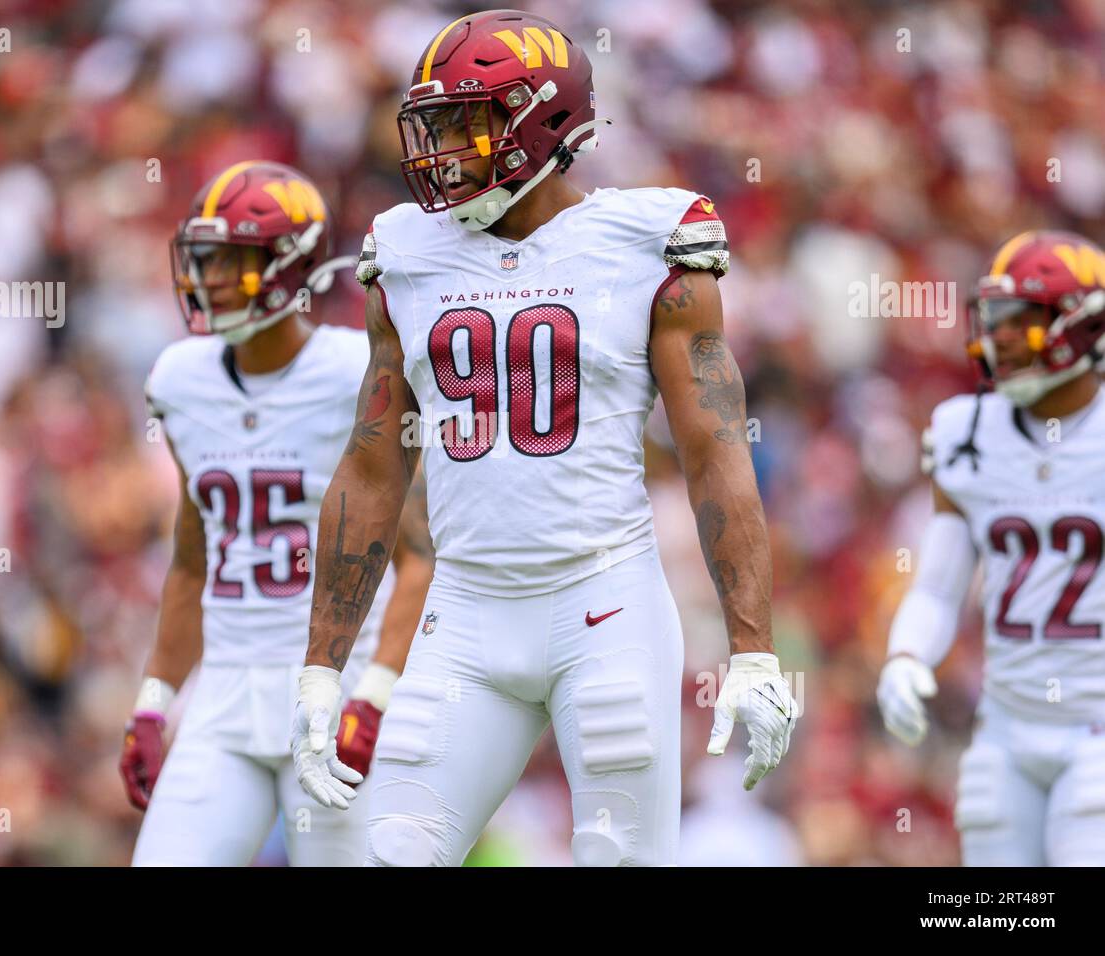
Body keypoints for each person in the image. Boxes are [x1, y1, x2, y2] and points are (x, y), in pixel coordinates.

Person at [290, 10, 796, 867]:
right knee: (388, 858)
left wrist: (753, 650)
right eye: (434, 125)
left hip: (605, 604)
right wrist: (319, 666)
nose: (440, 151)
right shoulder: (406, 255)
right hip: (465, 614)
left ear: (541, 122)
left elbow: (714, 452)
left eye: (465, 124)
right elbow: (374, 463)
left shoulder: (647, 243)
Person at [120, 160, 433, 866]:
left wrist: (376, 695)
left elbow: (418, 557)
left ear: (291, 269)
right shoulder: (179, 380)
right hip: (225, 694)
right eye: (206, 257)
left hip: (333, 688)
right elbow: (192, 561)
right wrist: (153, 701)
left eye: (234, 259)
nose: (211, 277)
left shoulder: (356, 370)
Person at [879, 230, 1105, 866]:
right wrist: (905, 655)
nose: (998, 336)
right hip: (1004, 729)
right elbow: (937, 586)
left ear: (1081, 324)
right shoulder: (966, 430)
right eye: (994, 317)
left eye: (1020, 318)